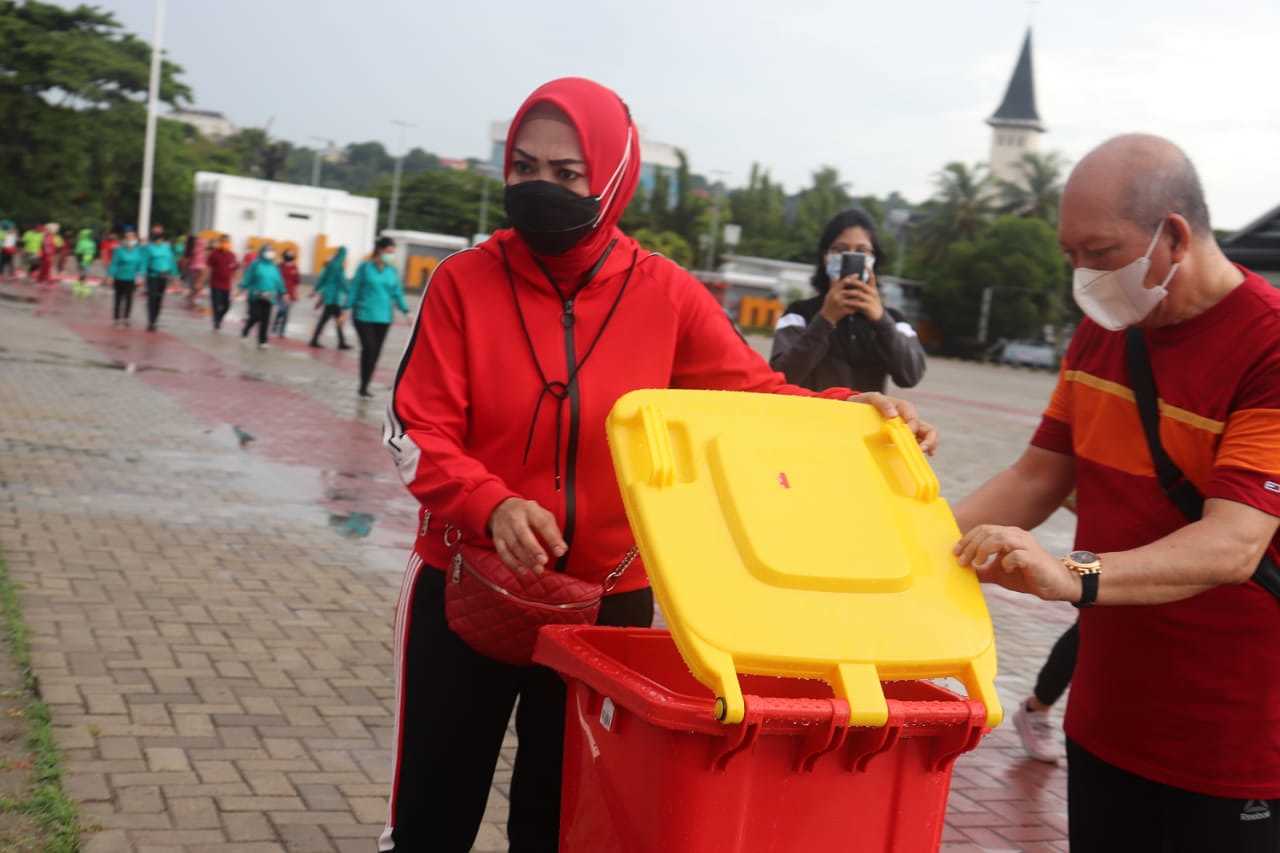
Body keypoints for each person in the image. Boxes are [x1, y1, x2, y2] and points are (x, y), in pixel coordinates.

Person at [377, 76, 938, 853]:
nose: (541, 188)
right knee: (432, 820)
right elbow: (416, 425)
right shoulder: (462, 283)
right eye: (523, 168)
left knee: (560, 821)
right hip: (464, 587)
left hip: (607, 606)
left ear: (613, 176)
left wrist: (850, 410)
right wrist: (490, 503)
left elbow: (755, 398)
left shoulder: (666, 293)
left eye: (567, 174)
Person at [953, 134, 1280, 851]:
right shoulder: (1106, 331)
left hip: (1231, 744)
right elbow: (1037, 476)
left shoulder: (1269, 346)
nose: (1083, 276)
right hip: (1105, 722)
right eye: (1070, 256)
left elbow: (1234, 542)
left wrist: (1070, 573)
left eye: (1099, 254)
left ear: (1174, 236)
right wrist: (905, 542)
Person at [771, 208, 926, 393]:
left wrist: (881, 320)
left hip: (864, 421)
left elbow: (910, 376)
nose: (851, 257)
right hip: (811, 419)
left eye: (862, 251)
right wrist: (825, 320)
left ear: (874, 259)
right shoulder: (799, 313)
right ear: (825, 256)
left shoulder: (894, 319)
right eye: (840, 250)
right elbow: (781, 377)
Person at [346, 237, 409, 398]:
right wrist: (345, 308)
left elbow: (397, 292)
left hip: (384, 318)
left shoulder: (392, 271)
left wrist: (406, 311)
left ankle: (364, 386)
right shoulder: (365, 268)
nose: (391, 255)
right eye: (389, 252)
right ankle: (363, 385)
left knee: (375, 353)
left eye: (393, 253)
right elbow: (354, 288)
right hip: (363, 315)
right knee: (369, 348)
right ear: (380, 250)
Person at [239, 244, 285, 349]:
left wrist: (283, 292)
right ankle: (245, 330)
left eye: (272, 251)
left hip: (269, 296)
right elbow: (248, 276)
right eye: (268, 251)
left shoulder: (274, 267)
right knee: (255, 316)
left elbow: (279, 280)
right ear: (262, 252)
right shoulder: (255, 264)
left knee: (265, 319)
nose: (270, 254)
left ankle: (262, 341)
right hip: (255, 295)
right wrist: (242, 287)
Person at [309, 247, 352, 349]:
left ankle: (340, 342)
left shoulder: (331, 264)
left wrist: (315, 289)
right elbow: (342, 281)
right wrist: (350, 292)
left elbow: (322, 279)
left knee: (333, 319)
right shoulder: (338, 266)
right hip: (333, 298)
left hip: (329, 296)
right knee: (328, 319)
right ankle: (315, 340)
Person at [106, 229, 145, 327]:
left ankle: (127, 318)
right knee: (118, 298)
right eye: (128, 237)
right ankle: (116, 318)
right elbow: (114, 264)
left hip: (131, 278)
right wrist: (110, 275)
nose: (130, 239)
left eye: (132, 237)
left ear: (135, 239)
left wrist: (140, 276)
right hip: (119, 277)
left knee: (129, 299)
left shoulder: (139, 251)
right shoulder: (119, 250)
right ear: (125, 239)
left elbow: (140, 265)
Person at [142, 225, 177, 331]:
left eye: (160, 236)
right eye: (156, 236)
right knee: (152, 298)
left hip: (164, 276)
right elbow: (144, 262)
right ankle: (151, 321)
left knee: (159, 299)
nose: (158, 239)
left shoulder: (167, 248)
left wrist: (175, 275)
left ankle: (155, 319)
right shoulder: (149, 248)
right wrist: (141, 275)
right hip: (152, 276)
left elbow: (171, 262)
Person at [206, 235, 239, 331]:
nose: (226, 244)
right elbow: (208, 268)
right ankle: (216, 321)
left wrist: (236, 284)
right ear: (220, 243)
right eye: (223, 242)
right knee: (216, 304)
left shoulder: (232, 255)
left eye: (227, 242)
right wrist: (201, 281)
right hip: (215, 284)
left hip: (227, 286)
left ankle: (219, 318)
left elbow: (235, 269)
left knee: (227, 305)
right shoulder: (214, 254)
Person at [271, 248, 300, 337]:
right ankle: (276, 325)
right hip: (279, 292)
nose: (290, 256)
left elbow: (296, 281)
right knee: (282, 310)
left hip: (290, 293)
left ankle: (281, 331)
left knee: (286, 312)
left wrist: (296, 293)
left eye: (291, 254)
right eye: (288, 254)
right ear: (284, 256)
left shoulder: (295, 268)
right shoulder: (279, 266)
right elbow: (274, 279)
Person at [183, 232, 208, 305]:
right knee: (198, 283)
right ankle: (193, 296)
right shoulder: (199, 246)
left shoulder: (192, 247)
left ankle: (192, 296)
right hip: (200, 266)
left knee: (195, 283)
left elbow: (188, 258)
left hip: (194, 267)